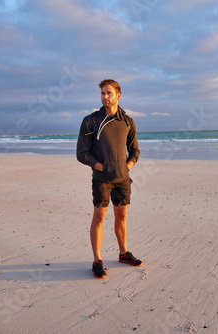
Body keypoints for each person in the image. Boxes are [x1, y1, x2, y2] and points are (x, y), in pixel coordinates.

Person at [76, 79, 142, 279]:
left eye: (109, 93)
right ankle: (97, 260)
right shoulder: (91, 121)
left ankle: (123, 254)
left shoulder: (128, 121)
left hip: (122, 179)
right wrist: (101, 167)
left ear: (118, 95)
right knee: (99, 218)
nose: (105, 97)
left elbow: (135, 151)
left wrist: (125, 167)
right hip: (102, 180)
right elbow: (82, 153)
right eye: (103, 93)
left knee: (121, 218)